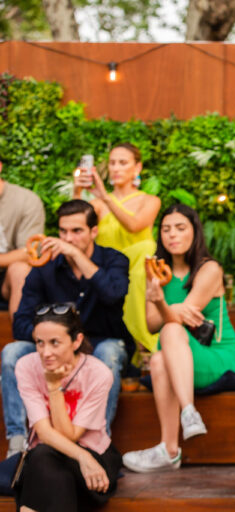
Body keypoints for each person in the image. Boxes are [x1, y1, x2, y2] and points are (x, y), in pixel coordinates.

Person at [2, 200, 131, 458]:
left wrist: (78, 257)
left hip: (99, 343)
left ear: (94, 231)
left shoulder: (114, 259)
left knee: (110, 353)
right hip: (56, 347)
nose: (68, 238)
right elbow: (21, 323)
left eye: (77, 231)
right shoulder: (45, 267)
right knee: (12, 352)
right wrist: (54, 342)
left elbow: (114, 295)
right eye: (63, 232)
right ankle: (18, 443)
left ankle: (96, 445)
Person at [122, 204, 235, 473]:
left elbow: (179, 317)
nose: (172, 235)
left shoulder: (209, 269)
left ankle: (188, 412)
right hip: (179, 356)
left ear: (194, 232)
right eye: (166, 229)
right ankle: (170, 449)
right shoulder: (155, 272)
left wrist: (163, 304)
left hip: (215, 354)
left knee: (171, 330)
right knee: (157, 359)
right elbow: (152, 324)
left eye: (180, 228)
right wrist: (167, 308)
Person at [15, 304, 121, 512]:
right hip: (53, 458)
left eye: (55, 343)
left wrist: (53, 388)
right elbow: (44, 433)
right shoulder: (26, 366)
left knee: (44, 466)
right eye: (40, 343)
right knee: (46, 460)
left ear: (77, 341)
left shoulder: (98, 374)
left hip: (94, 461)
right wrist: (83, 457)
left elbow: (69, 434)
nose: (46, 352)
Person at [74, 143, 162, 357]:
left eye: (123, 162)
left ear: (137, 168)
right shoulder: (96, 203)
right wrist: (77, 190)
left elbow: (134, 225)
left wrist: (106, 197)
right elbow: (75, 223)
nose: (116, 168)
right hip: (107, 272)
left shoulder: (149, 200)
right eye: (112, 163)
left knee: (146, 249)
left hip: (139, 268)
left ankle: (144, 343)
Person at [0, 159, 45, 319]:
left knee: (19, 269)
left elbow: (29, 253)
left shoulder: (26, 200)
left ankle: (20, 338)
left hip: (7, 278)